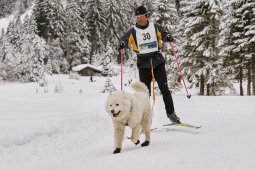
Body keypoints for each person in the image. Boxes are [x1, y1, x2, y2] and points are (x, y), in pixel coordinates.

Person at [119, 6, 181, 123]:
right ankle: (143, 120)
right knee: (143, 94)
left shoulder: (155, 27)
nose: (138, 19)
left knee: (164, 89)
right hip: (143, 64)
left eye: (141, 16)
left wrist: (167, 37)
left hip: (157, 61)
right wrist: (122, 43)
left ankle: (171, 114)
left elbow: (163, 34)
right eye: (136, 17)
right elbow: (124, 40)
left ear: (146, 16)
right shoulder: (132, 31)